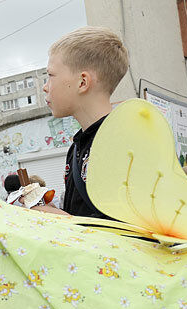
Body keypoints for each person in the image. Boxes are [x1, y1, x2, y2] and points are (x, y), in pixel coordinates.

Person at [43, 26, 129, 219]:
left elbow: (127, 227)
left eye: (50, 75)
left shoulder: (123, 144)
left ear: (82, 82)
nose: (45, 86)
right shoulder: (76, 149)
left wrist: (56, 219)